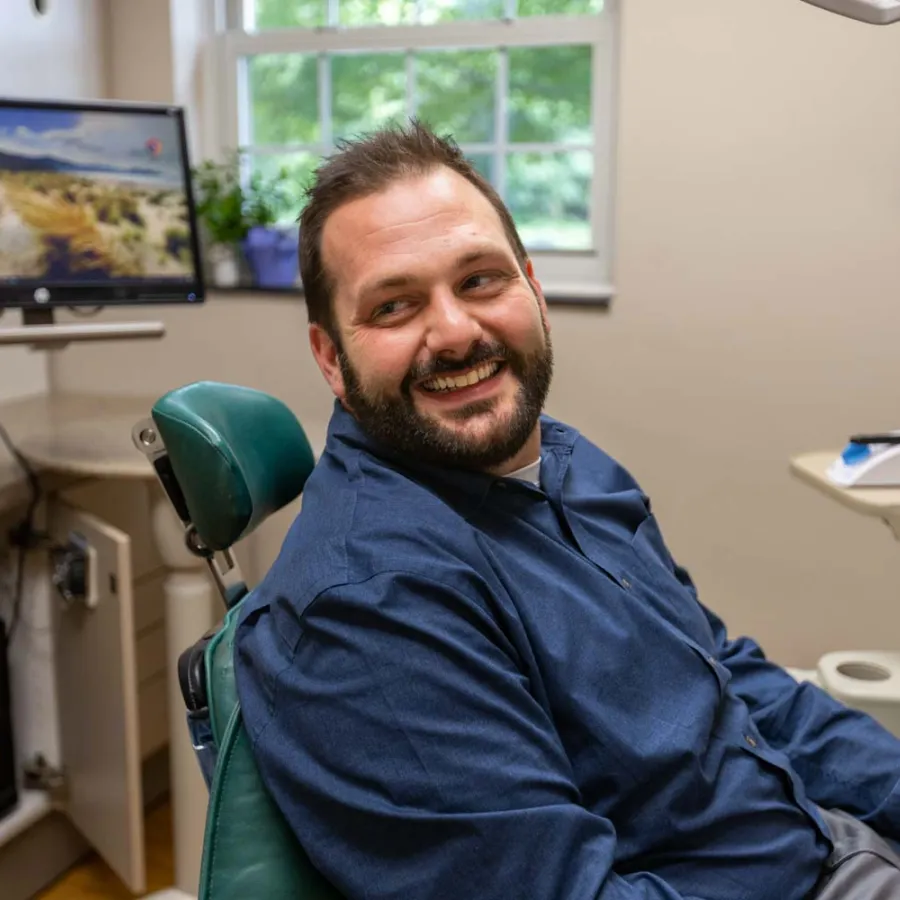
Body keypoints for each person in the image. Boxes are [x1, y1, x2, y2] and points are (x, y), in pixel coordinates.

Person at [233, 119, 900, 899]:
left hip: (820, 836)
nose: (454, 332)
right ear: (329, 359)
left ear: (533, 290)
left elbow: (726, 674)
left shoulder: (567, 464)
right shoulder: (371, 607)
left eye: (480, 280)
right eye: (394, 307)